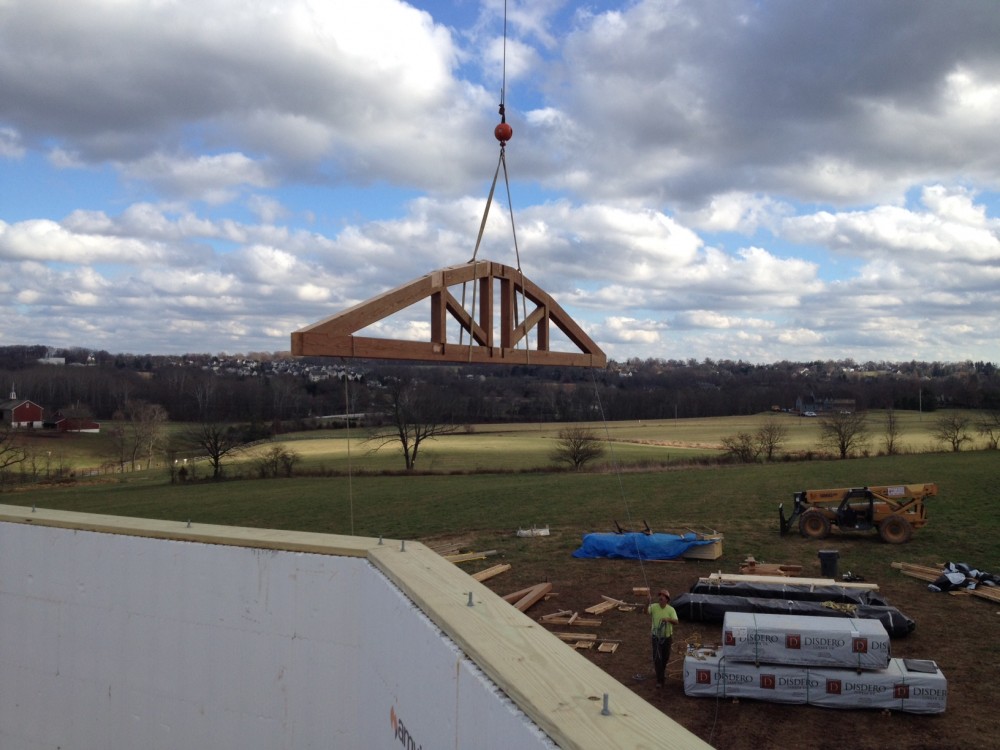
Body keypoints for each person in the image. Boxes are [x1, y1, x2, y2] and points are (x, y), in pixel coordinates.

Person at [648, 588, 678, 688]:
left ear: (667, 599)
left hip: (667, 638)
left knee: (665, 657)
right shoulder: (653, 607)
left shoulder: (671, 610)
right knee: (657, 658)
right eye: (660, 595)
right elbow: (644, 611)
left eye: (663, 596)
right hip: (656, 637)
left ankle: (661, 672)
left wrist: (668, 619)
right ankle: (660, 680)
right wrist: (646, 602)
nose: (660, 597)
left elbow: (676, 622)